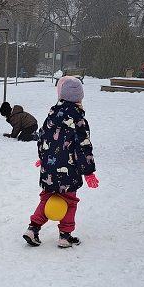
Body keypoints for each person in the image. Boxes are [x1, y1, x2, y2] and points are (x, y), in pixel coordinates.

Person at [23, 76, 98, 248]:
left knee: (46, 198)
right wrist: (88, 172)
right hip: (69, 171)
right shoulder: (79, 120)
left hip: (49, 169)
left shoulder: (51, 116)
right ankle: (65, 236)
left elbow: (42, 137)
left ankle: (32, 229)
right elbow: (83, 146)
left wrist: (42, 157)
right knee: (69, 201)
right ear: (79, 98)